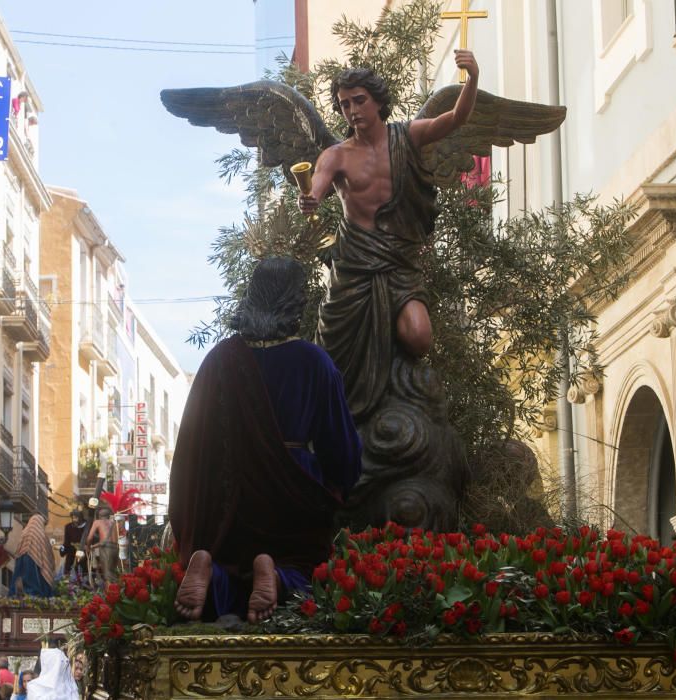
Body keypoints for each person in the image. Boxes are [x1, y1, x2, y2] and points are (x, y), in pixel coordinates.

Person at [171, 257, 362, 624]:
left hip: (225, 504)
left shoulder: (218, 360)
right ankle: (275, 574)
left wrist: (192, 519)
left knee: (227, 566)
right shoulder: (314, 362)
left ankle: (211, 572)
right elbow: (342, 452)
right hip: (289, 498)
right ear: (296, 303)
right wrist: (339, 484)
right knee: (306, 564)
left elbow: (190, 447)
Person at [298, 50, 479, 419]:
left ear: (378, 101)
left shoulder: (407, 136)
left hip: (399, 261)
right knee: (334, 355)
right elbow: (316, 188)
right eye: (344, 104)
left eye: (359, 101)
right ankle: (340, 421)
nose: (352, 110)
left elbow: (457, 117)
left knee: (419, 336)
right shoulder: (336, 155)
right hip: (353, 266)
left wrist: (472, 77)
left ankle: (396, 400)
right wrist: (310, 200)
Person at [9, 515, 55, 598]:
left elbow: (18, 552)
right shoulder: (42, 535)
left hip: (22, 562)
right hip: (35, 568)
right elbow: (48, 558)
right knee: (35, 587)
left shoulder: (24, 533)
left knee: (19, 581)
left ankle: (16, 593)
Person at [86, 504, 118, 585]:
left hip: (106, 549)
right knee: (113, 575)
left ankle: (110, 595)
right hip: (115, 548)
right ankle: (116, 594)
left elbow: (89, 538)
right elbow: (111, 541)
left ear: (99, 515)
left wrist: (88, 547)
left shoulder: (97, 522)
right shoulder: (113, 522)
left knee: (108, 576)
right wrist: (94, 546)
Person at [60, 509, 87, 577]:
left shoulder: (87, 526)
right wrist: (62, 549)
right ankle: (69, 585)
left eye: (76, 517)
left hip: (84, 551)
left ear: (80, 517)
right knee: (69, 568)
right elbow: (66, 542)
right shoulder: (68, 527)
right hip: (71, 551)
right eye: (73, 518)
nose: (74, 520)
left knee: (84, 570)